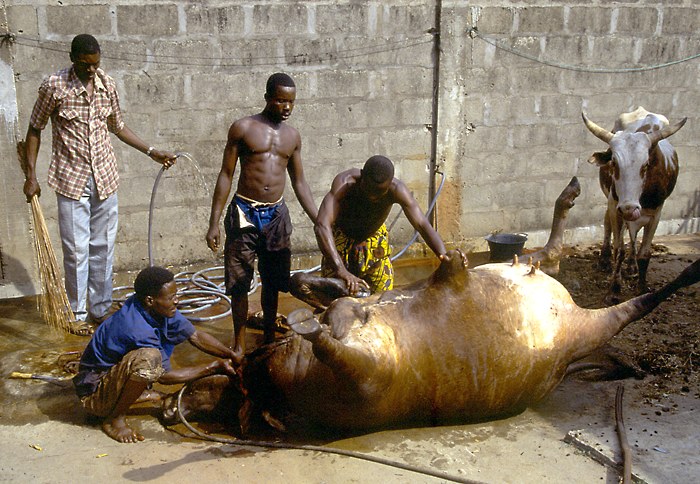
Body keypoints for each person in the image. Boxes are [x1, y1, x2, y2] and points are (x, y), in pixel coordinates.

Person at [22, 34, 177, 335]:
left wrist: (151, 151)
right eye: (84, 65)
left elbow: (117, 127)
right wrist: (31, 175)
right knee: (77, 250)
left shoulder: (107, 85)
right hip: (71, 179)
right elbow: (34, 129)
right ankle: (77, 313)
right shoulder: (54, 86)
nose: (91, 71)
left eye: (95, 65)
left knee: (103, 247)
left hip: (105, 178)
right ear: (72, 58)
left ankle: (99, 309)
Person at [205, 73, 318, 357]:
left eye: (291, 101)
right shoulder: (243, 128)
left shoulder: (292, 137)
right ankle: (240, 342)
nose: (287, 107)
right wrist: (214, 222)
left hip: (276, 217)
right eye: (281, 100)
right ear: (268, 97)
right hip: (244, 213)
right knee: (239, 283)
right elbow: (226, 174)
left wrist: (319, 219)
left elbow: (300, 182)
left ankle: (269, 333)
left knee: (273, 281)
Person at [73, 266, 239, 443]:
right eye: (171, 298)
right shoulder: (136, 327)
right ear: (150, 300)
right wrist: (213, 367)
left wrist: (231, 354)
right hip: (94, 394)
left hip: (110, 377)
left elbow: (195, 336)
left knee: (151, 356)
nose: (176, 301)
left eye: (176, 295)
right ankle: (114, 418)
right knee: (149, 359)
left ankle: (134, 392)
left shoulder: (156, 308)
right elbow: (165, 377)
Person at [292, 155, 447, 309]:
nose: (373, 197)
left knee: (384, 304)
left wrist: (443, 254)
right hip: (341, 243)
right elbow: (322, 226)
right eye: (369, 190)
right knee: (334, 303)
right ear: (362, 177)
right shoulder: (345, 184)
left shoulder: (397, 190)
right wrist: (341, 270)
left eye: (379, 193)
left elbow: (421, 223)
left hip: (375, 243)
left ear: (390, 184)